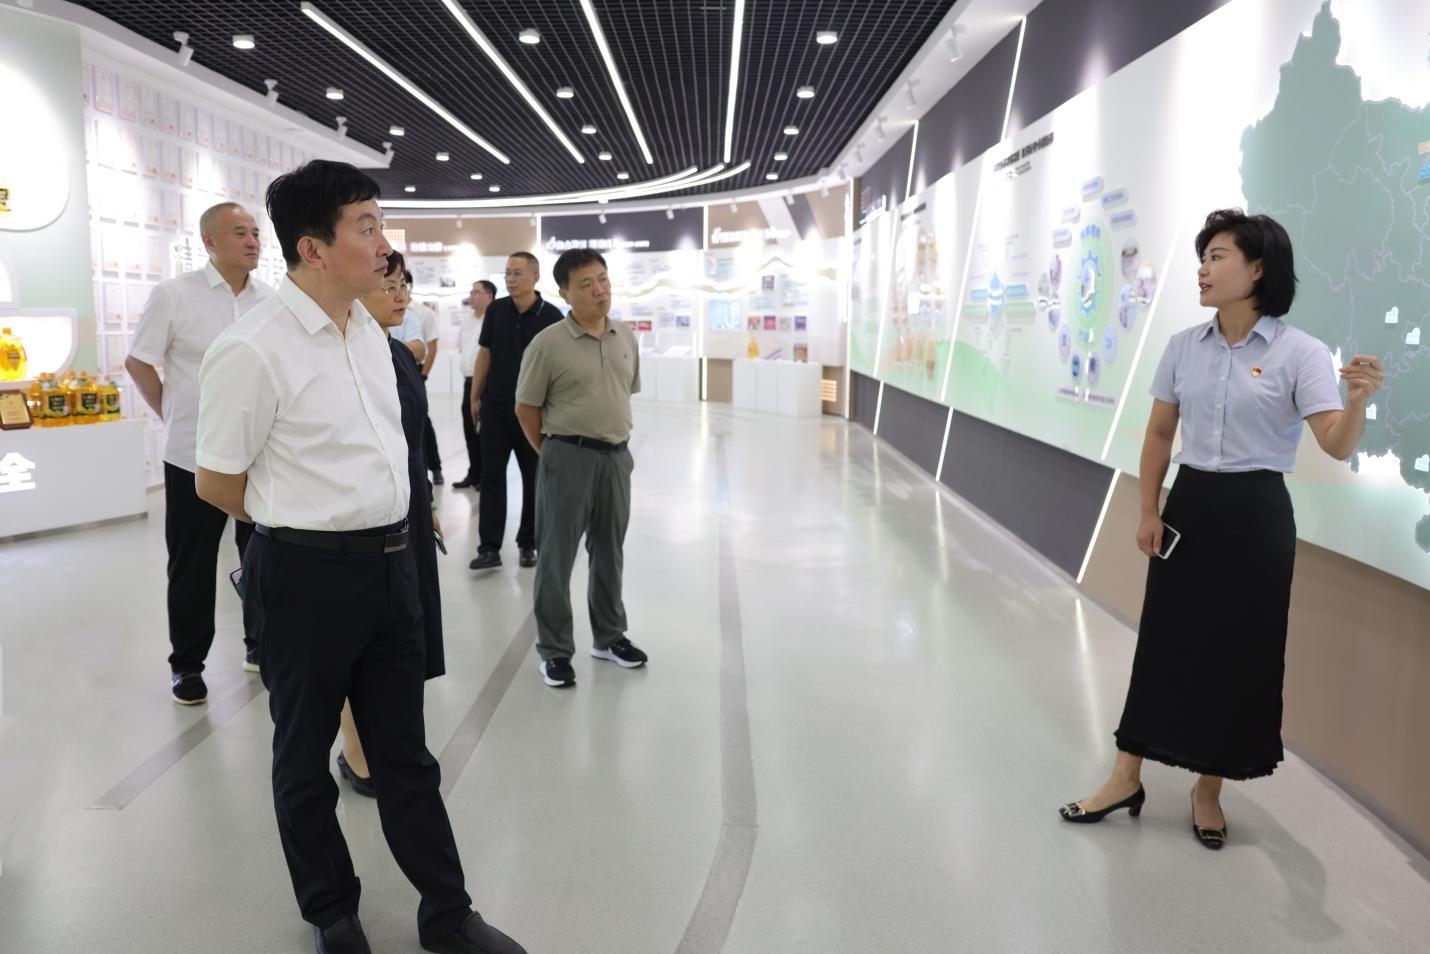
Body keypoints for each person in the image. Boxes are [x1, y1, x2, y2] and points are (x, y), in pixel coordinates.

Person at [194, 160, 524, 954]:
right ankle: (332, 912)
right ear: (313, 248)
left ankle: (448, 914)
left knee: (403, 754)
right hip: (305, 577)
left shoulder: (372, 335)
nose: (384, 245)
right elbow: (217, 482)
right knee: (304, 757)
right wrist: (308, 525)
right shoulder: (252, 349)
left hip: (391, 568)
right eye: (367, 227)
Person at [1059, 209, 1384, 849]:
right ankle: (1125, 776)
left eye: (1217, 256)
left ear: (1257, 269)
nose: (1203, 269)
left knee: (1239, 654)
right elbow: (1159, 434)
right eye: (1202, 257)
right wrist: (1148, 510)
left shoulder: (1300, 352)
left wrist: (1357, 405)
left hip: (1257, 517)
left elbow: (1336, 443)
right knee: (1163, 644)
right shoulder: (1184, 346)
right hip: (1191, 505)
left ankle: (1208, 790)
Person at [124, 201, 273, 705]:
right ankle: (187, 665)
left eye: (255, 233)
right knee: (192, 564)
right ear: (209, 242)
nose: (252, 241)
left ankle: (260, 645)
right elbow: (139, 361)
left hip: (258, 455)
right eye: (240, 233)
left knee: (262, 557)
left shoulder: (270, 300)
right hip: (192, 454)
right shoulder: (174, 295)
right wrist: (172, 413)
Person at [334, 251, 447, 799]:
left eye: (405, 285)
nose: (401, 295)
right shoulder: (343, 357)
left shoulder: (399, 353)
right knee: (357, 636)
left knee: (406, 630)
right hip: (361, 515)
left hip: (408, 505)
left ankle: (393, 737)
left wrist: (426, 503)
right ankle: (356, 749)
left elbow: (413, 440)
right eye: (389, 285)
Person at [514, 248, 649, 688]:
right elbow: (526, 408)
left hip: (617, 458)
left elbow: (624, 392)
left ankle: (609, 637)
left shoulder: (624, 336)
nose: (599, 290)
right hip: (567, 456)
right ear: (565, 293)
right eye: (586, 284)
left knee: (610, 552)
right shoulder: (548, 343)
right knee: (556, 558)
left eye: (603, 279)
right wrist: (555, 452)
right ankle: (554, 651)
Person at [469, 252, 562, 570]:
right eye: (507, 273)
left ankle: (528, 543)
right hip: (495, 408)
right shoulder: (496, 310)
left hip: (534, 413)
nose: (510, 279)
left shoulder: (551, 317)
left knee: (534, 479)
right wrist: (474, 396)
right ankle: (489, 548)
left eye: (517, 273)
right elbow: (485, 354)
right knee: (491, 477)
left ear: (535, 277)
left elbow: (557, 368)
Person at [453, 280, 496, 490]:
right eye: (471, 292)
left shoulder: (494, 320)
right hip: (468, 382)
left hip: (488, 384)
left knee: (487, 433)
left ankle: (486, 476)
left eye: (476, 292)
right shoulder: (467, 321)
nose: (472, 296)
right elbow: (462, 348)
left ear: (489, 296)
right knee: (470, 430)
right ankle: (474, 473)